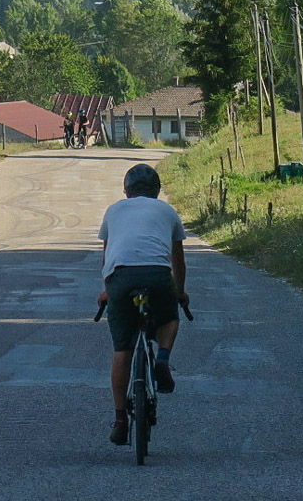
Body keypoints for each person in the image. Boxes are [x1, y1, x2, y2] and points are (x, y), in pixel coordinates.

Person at [96, 162, 188, 446]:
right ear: (157, 191)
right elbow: (178, 260)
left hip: (120, 278)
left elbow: (108, 253)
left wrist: (106, 290)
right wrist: (179, 292)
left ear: (126, 190)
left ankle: (121, 418)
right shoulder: (168, 211)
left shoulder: (113, 211)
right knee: (170, 317)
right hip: (157, 275)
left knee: (122, 350)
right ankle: (162, 359)